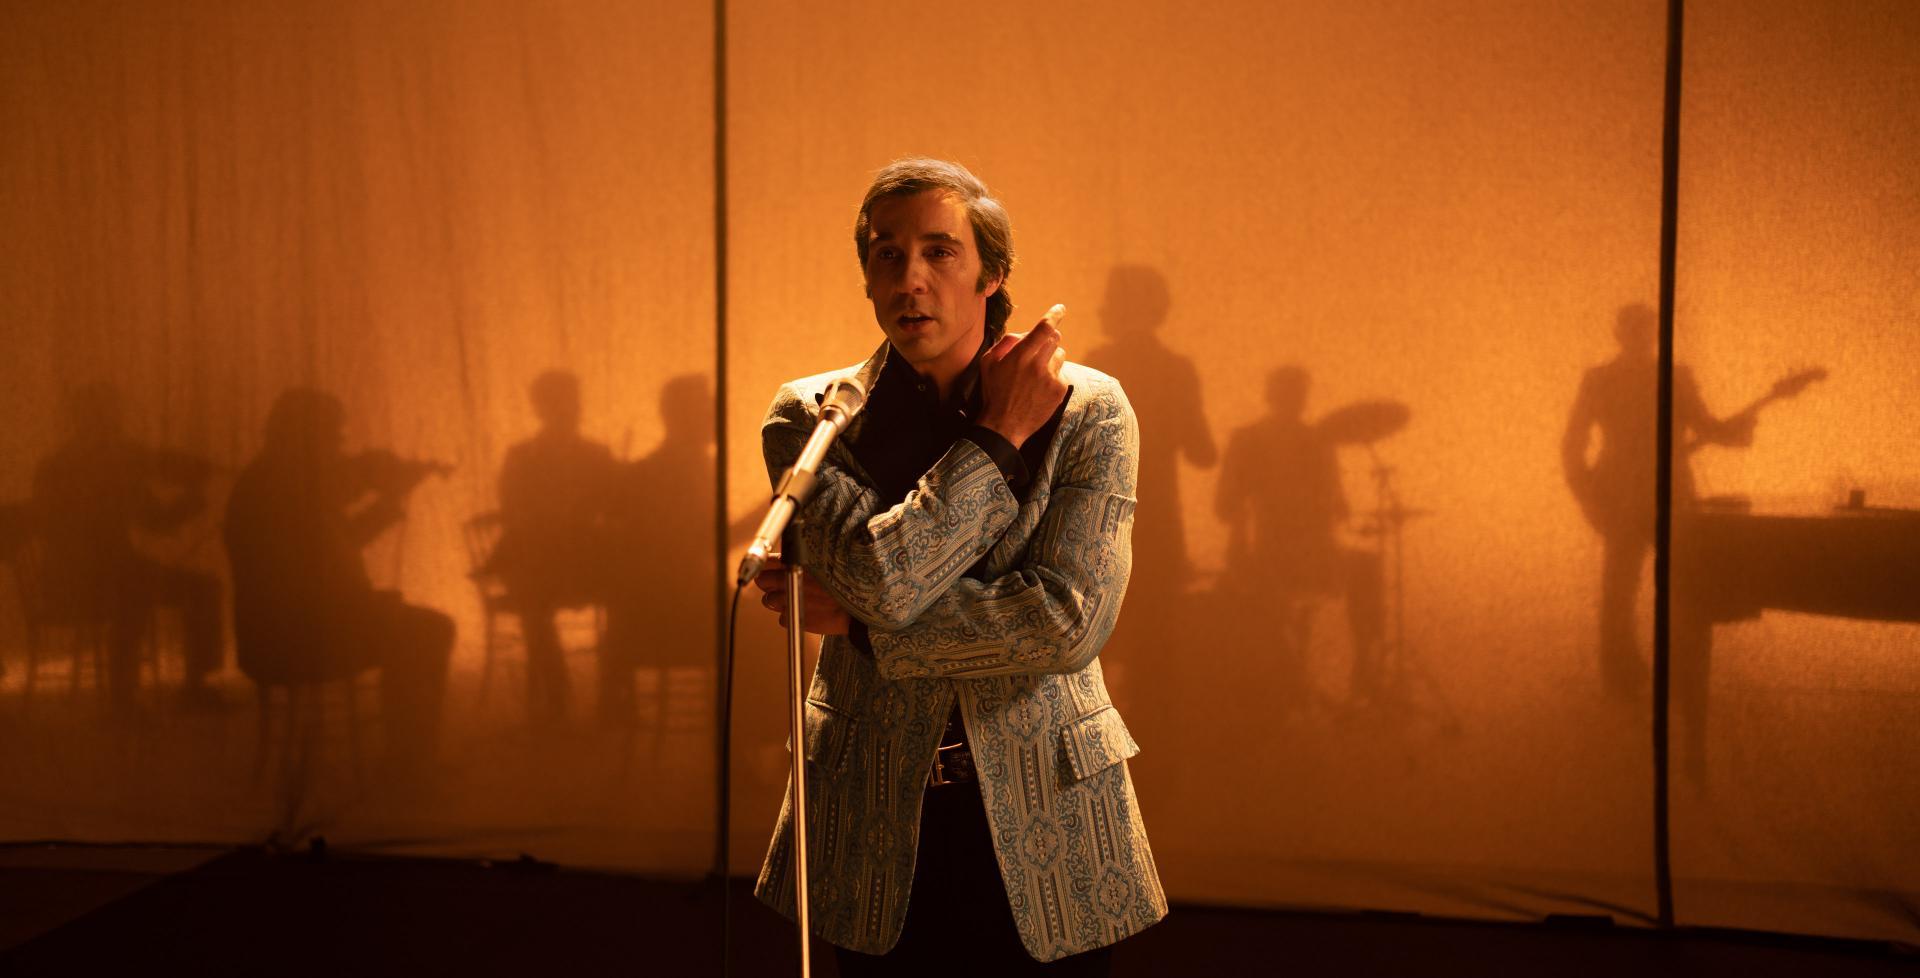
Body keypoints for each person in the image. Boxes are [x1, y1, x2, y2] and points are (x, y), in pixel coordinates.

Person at [750, 159, 1165, 975]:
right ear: (868, 277)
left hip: (1049, 801)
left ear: (992, 273)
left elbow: (1066, 623)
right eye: (887, 254)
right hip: (871, 807)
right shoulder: (812, 416)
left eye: (939, 252)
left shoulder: (1091, 409)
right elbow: (883, 581)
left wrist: (864, 629)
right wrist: (997, 438)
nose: (911, 279)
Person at [223, 388, 453, 772]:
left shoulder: (277, 479)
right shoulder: (287, 487)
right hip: (301, 636)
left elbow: (340, 543)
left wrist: (389, 502)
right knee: (428, 630)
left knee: (411, 626)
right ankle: (409, 761)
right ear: (306, 435)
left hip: (283, 631)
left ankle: (409, 757)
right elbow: (317, 575)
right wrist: (375, 604)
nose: (341, 447)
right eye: (334, 435)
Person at [30, 383, 225, 713]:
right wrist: (191, 497)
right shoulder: (112, 465)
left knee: (178, 586)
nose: (115, 425)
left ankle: (154, 692)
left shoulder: (58, 465)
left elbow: (154, 519)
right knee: (152, 588)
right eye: (110, 416)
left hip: (70, 580)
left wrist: (188, 497)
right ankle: (136, 695)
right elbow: (157, 520)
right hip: (89, 581)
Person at [490, 370, 619, 723]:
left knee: (627, 592)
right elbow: (511, 509)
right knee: (532, 599)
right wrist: (549, 520)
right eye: (561, 402)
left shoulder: (597, 454)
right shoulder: (520, 457)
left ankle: (613, 697)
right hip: (537, 561)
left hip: (584, 561)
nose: (571, 409)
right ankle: (555, 696)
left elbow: (617, 505)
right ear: (541, 409)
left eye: (573, 401)